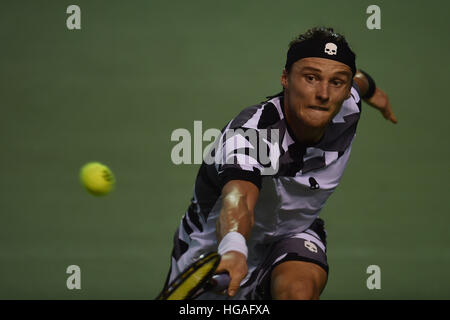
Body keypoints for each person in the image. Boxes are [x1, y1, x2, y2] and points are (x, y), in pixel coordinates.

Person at [163, 27, 397, 300]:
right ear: (285, 78)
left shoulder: (348, 106)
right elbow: (239, 196)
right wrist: (235, 246)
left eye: (336, 82)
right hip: (216, 252)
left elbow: (358, 81)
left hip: (292, 232)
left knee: (298, 293)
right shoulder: (255, 133)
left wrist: (371, 89)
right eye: (310, 78)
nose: (323, 93)